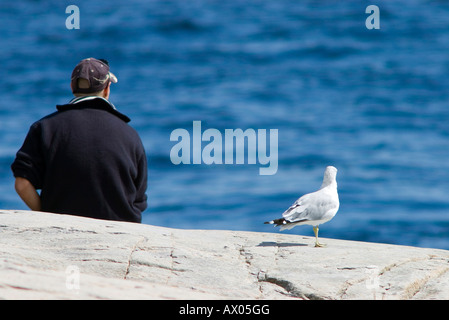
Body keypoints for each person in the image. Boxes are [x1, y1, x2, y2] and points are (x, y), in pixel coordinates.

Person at [11, 58, 148, 223]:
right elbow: (139, 199)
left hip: (62, 230)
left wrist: (48, 215)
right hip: (121, 232)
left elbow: (22, 184)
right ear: (106, 89)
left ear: (72, 87)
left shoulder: (44, 128)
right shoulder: (130, 135)